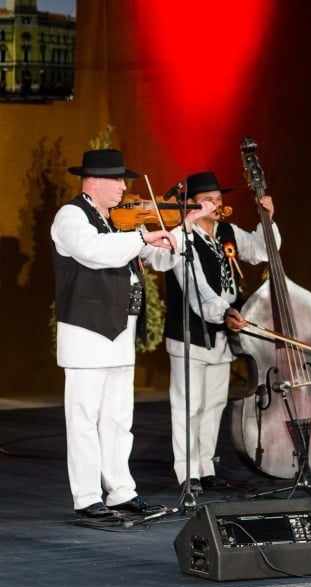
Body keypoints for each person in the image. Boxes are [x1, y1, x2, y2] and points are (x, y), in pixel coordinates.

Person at [51, 148, 199, 519]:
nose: (123, 186)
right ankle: (87, 496)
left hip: (119, 332)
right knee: (84, 417)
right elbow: (93, 252)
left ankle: (120, 490)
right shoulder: (71, 216)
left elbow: (157, 258)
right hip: (86, 332)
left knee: (119, 417)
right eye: (117, 179)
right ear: (94, 181)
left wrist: (180, 232)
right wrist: (142, 239)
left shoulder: (120, 220)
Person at [162, 171, 278, 494]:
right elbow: (194, 284)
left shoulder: (226, 231)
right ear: (193, 205)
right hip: (191, 332)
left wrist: (266, 220)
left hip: (223, 333)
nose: (217, 203)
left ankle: (206, 466)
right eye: (209, 199)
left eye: (220, 198)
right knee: (188, 404)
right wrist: (221, 312)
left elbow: (260, 251)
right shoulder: (181, 236)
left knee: (214, 403)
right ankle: (187, 473)